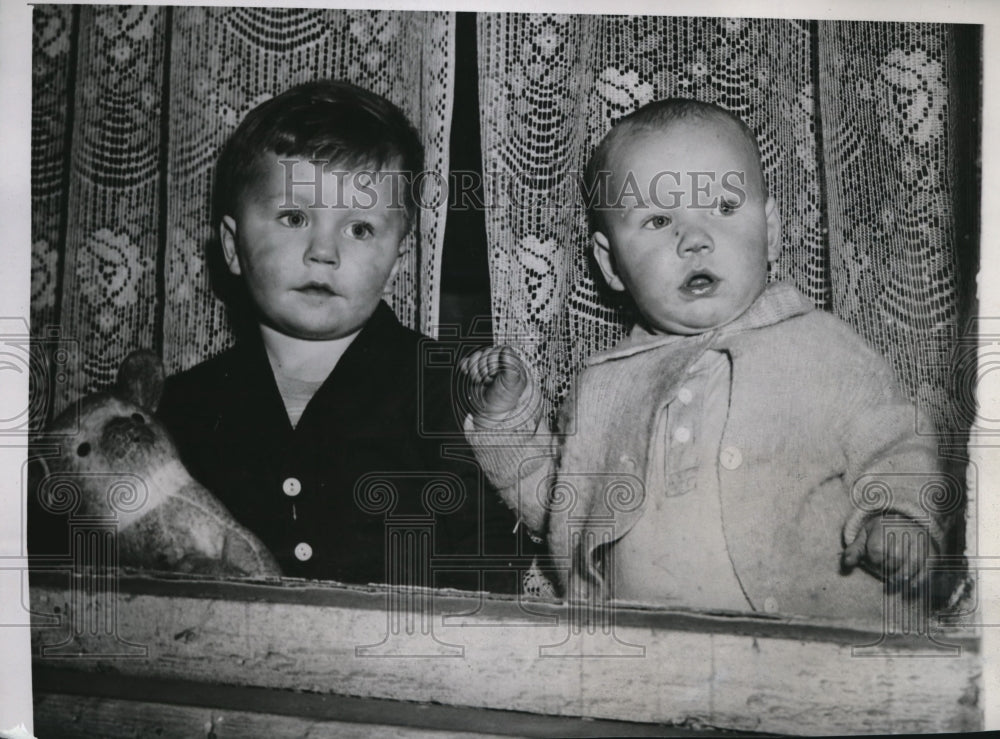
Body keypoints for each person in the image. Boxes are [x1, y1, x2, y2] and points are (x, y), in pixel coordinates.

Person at [459, 99, 951, 619]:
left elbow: (897, 441)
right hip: (646, 660)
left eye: (723, 208)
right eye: (657, 219)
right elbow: (558, 512)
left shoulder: (821, 348)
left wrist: (900, 516)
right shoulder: (602, 388)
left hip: (805, 650)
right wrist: (506, 426)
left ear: (771, 231)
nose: (694, 239)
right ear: (611, 264)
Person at [158, 80, 521, 590]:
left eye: (360, 229)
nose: (323, 252)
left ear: (397, 261)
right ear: (233, 248)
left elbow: (490, 561)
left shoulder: (444, 391)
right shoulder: (184, 407)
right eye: (294, 217)